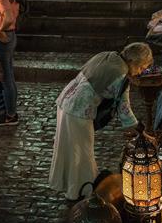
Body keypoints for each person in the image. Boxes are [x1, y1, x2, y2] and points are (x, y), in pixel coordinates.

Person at [49, 42, 153, 201]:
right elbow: (124, 110)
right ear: (134, 62)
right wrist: (141, 130)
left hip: (66, 101)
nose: (140, 72)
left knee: (68, 148)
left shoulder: (107, 55)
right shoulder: (121, 75)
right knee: (81, 152)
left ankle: (71, 187)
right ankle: (79, 191)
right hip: (79, 111)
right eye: (141, 68)